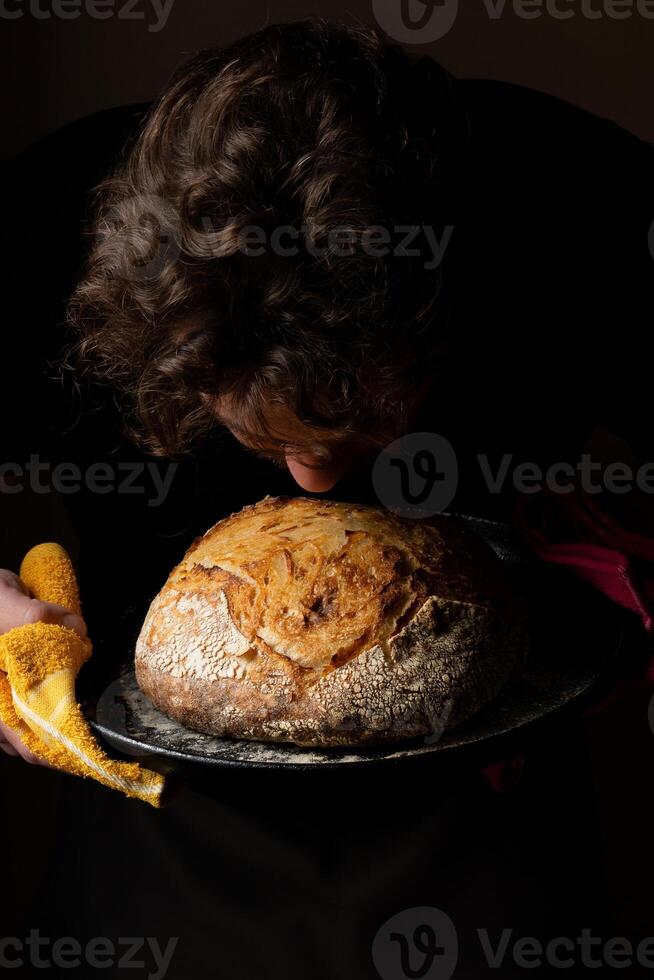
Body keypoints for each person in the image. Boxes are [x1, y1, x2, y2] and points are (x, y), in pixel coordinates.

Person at [1, 19, 652, 978]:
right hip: (152, 823)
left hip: (493, 824)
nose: (318, 478)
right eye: (269, 434)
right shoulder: (45, 226)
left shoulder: (574, 201)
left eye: (359, 428)